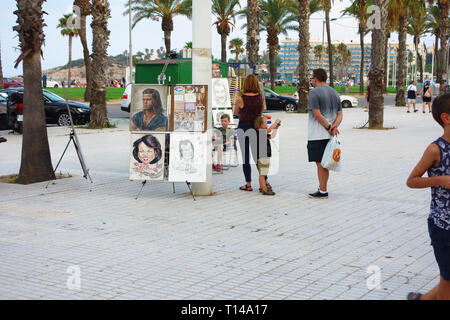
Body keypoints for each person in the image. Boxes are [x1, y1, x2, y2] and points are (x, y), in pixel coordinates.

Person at [406, 93, 450, 300]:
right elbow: (412, 180)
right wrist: (439, 180)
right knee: (448, 280)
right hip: (443, 226)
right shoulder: (435, 149)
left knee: (447, 279)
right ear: (446, 118)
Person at [307, 68, 343, 199]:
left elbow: (316, 114)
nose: (311, 80)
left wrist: (329, 127)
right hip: (330, 135)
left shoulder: (314, 93)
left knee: (320, 163)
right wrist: (334, 126)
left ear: (315, 78)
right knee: (324, 163)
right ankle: (322, 189)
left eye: (311, 78)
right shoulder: (334, 92)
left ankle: (323, 191)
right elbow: (340, 114)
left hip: (317, 134)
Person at [234, 74, 264, 191]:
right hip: (256, 128)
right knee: (259, 157)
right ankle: (264, 181)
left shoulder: (240, 98)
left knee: (245, 157)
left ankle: (248, 184)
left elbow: (237, 112)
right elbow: (261, 112)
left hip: (243, 128)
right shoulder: (260, 97)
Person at [254, 116, 281, 195]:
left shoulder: (264, 133)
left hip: (266, 155)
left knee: (264, 173)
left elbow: (272, 136)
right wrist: (275, 123)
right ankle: (264, 189)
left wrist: (276, 128)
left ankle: (262, 187)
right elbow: (269, 130)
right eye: (265, 123)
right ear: (260, 124)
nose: (267, 125)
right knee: (262, 174)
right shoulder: (258, 132)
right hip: (262, 156)